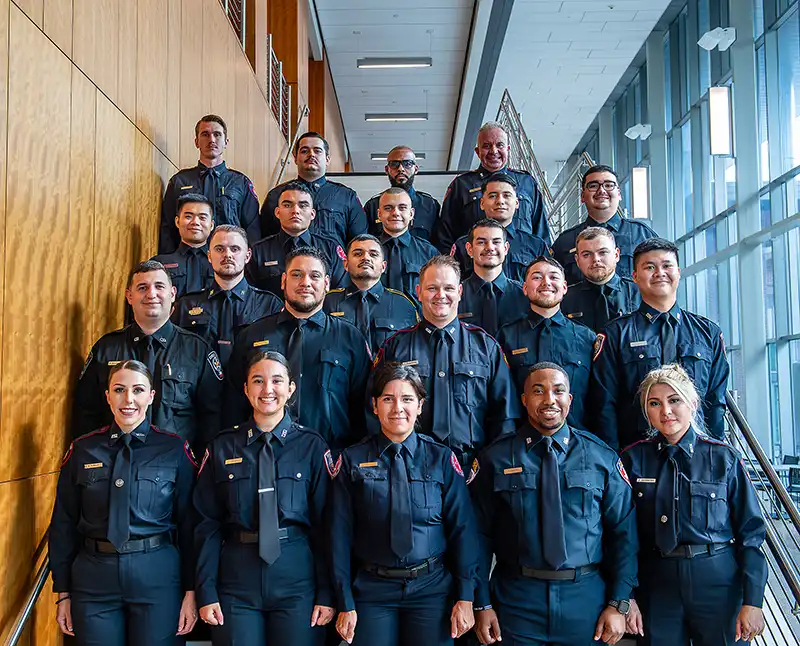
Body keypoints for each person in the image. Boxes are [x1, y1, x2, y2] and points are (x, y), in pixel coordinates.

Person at [470, 362, 638, 646]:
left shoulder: (600, 457)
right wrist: (481, 604)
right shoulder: (494, 459)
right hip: (517, 599)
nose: (550, 399)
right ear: (524, 400)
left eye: (558, 391)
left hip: (584, 599)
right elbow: (477, 538)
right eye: (538, 391)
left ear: (569, 400)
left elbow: (624, 534)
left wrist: (619, 601)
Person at [51, 360, 198, 645]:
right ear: (107, 396)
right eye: (119, 389)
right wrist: (64, 592)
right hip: (94, 578)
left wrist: (192, 591)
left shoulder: (173, 449)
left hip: (157, 574)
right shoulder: (83, 449)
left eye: (138, 390)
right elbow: (63, 522)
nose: (128, 399)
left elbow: (191, 524)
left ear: (151, 396)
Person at [331, 364, 478, 646]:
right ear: (374, 406)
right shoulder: (352, 460)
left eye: (407, 399)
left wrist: (466, 595)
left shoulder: (441, 459)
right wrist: (344, 601)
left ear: (420, 405)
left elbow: (463, 530)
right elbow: (339, 534)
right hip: (372, 591)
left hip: (431, 589)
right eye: (388, 399)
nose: (397, 408)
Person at [194, 351, 335, 646]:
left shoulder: (311, 446)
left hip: (297, 576)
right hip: (236, 579)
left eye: (276, 381)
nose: (267, 389)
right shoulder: (222, 447)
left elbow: (327, 526)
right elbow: (206, 524)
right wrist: (205, 590)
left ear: (291, 388)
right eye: (258, 381)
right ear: (246, 389)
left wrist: (327, 591)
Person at [622, 364, 767, 645]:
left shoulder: (723, 458)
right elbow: (623, 536)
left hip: (718, 582)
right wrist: (626, 597)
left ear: (692, 403)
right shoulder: (632, 459)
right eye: (655, 403)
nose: (665, 411)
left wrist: (754, 600)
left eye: (674, 400)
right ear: (646, 411)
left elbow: (751, 534)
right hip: (656, 584)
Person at [370, 255, 519, 470]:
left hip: (472, 469)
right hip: (407, 466)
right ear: (419, 292)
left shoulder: (486, 348)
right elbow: (373, 408)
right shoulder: (395, 347)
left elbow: (505, 417)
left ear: (459, 292)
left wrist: (488, 468)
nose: (441, 295)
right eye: (432, 288)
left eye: (448, 288)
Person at [226, 247, 371, 453]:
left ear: (327, 284)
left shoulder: (350, 338)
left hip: (331, 457)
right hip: (263, 454)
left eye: (315, 276)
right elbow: (234, 403)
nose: (305, 283)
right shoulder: (252, 336)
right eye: (297, 275)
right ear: (283, 281)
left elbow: (363, 407)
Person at [590, 238, 730, 449]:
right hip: (637, 455)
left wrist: (714, 453)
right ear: (635, 276)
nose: (659, 273)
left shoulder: (707, 333)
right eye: (649, 267)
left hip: (697, 454)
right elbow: (604, 406)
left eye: (666, 266)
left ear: (679, 272)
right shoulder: (616, 334)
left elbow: (716, 401)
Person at [73, 260, 223, 448]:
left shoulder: (198, 350)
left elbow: (212, 418)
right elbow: (86, 414)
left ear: (173, 293)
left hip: (176, 467)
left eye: (159, 286)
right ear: (129, 296)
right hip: (115, 460)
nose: (151, 294)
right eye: (142, 287)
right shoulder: (106, 349)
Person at [496, 257, 596, 431]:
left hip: (576, 443)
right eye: (537, 277)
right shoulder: (506, 336)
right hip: (520, 443)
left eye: (553, 277)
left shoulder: (587, 338)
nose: (546, 282)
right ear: (525, 289)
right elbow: (500, 395)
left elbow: (598, 398)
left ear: (564, 287)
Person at [172, 225, 282, 367]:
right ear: (209, 256)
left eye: (235, 249)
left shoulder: (269, 305)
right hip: (200, 387)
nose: (228, 255)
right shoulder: (186, 306)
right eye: (219, 249)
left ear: (247, 256)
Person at [434, 122, 549, 253]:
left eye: (499, 145)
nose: (494, 151)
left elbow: (541, 232)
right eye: (487, 146)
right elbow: (445, 237)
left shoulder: (527, 183)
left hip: (522, 266)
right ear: (477, 152)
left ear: (508, 149)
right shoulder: (461, 185)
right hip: (475, 266)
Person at [159, 115, 260, 253]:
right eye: (205, 134)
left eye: (217, 134)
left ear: (226, 142)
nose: (211, 140)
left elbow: (252, 229)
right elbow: (168, 228)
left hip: (227, 262)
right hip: (188, 261)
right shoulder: (179, 181)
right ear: (196, 142)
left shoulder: (240, 182)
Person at [551, 165, 658, 285]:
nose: (601, 190)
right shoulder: (565, 241)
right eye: (593, 186)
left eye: (608, 185)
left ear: (619, 194)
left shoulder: (642, 235)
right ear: (582, 196)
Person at [260, 132, 367, 245]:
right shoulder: (276, 195)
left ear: (327, 159)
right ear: (295, 158)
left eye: (317, 151)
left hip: (333, 262)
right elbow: (265, 239)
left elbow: (360, 242)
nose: (311, 155)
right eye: (304, 151)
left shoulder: (346, 197)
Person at [324, 234, 419, 356]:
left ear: (383, 266)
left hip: (386, 373)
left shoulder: (403, 305)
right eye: (358, 254)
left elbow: (412, 350)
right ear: (346, 264)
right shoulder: (328, 302)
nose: (366, 258)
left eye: (373, 254)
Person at [246, 182, 347, 295]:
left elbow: (340, 294)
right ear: (277, 212)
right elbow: (250, 296)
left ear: (312, 214)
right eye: (288, 205)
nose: (295, 211)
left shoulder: (331, 249)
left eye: (303, 205)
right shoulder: (258, 252)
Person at [450, 173, 550, 282]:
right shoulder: (463, 245)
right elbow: (452, 285)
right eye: (493, 196)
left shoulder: (536, 246)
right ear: (482, 203)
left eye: (506, 195)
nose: (500, 201)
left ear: (516, 203)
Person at [456, 219, 529, 336]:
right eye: (481, 242)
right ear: (469, 249)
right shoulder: (455, 296)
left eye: (496, 242)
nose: (490, 247)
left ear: (505, 248)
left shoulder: (525, 295)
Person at [561, 227, 641, 332]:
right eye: (586, 255)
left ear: (616, 255)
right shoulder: (564, 299)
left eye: (603, 252)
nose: (595, 259)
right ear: (577, 260)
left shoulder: (640, 293)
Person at [364, 146, 441, 241]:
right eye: (394, 164)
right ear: (386, 169)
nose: (401, 169)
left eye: (407, 164)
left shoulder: (430, 205)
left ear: (416, 169)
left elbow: (439, 243)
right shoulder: (373, 205)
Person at [378, 187, 439, 305]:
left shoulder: (429, 253)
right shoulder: (367, 252)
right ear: (379, 214)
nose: (395, 213)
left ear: (411, 214)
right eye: (388, 208)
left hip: (417, 320)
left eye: (402, 208)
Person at [152, 193, 215, 298]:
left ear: (211, 225)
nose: (195, 222)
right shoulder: (160, 263)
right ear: (177, 221)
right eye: (188, 216)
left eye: (202, 218)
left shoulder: (220, 263)